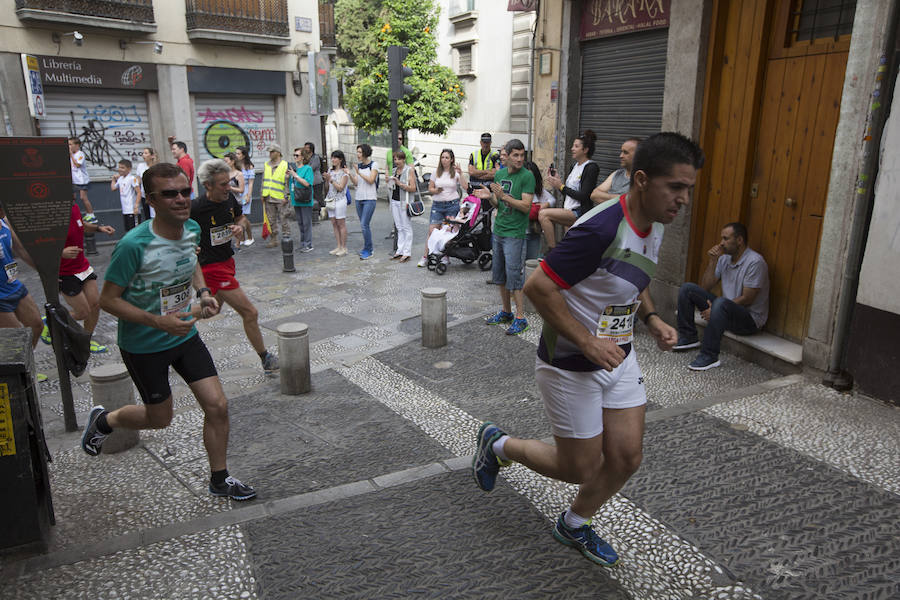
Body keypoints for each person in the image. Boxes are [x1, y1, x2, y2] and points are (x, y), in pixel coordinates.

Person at [472, 132, 704, 567]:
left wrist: (651, 318)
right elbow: (540, 287)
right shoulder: (599, 227)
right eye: (676, 187)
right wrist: (587, 341)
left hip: (617, 355)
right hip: (569, 361)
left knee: (626, 456)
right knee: (579, 466)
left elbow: (636, 276)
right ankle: (498, 444)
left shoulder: (653, 226)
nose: (684, 199)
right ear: (640, 180)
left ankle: (574, 523)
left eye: (688, 189)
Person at [84, 162, 257, 502]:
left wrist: (203, 292)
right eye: (169, 194)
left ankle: (219, 479)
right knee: (160, 418)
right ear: (151, 199)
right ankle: (105, 421)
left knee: (218, 406)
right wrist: (158, 321)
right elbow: (107, 301)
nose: (180, 199)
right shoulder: (134, 245)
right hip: (144, 343)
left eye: (184, 192)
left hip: (185, 334)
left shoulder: (191, 227)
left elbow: (191, 261)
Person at [191, 159, 279, 374]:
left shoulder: (229, 198)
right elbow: (178, 233)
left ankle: (171, 319)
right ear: (208, 185)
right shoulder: (196, 208)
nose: (228, 187)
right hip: (211, 268)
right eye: (222, 184)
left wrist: (240, 228)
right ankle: (265, 358)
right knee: (250, 312)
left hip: (227, 262)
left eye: (229, 182)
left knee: (212, 310)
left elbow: (241, 218)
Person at [673, 222, 769, 370]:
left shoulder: (755, 262)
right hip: (725, 308)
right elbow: (705, 287)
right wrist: (713, 262)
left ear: (739, 240)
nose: (721, 243)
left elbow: (747, 298)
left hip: (749, 320)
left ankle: (709, 356)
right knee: (688, 289)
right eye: (721, 239)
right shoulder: (724, 259)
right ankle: (688, 337)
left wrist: (716, 309)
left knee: (721, 303)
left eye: (725, 239)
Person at [474, 139, 534, 335]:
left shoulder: (527, 177)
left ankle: (520, 317)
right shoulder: (499, 174)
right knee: (499, 275)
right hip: (499, 230)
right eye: (515, 155)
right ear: (507, 156)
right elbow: (498, 205)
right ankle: (506, 312)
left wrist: (504, 196)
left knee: (515, 276)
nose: (519, 159)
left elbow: (526, 207)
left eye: (522, 155)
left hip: (515, 234)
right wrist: (489, 196)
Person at [41, 204, 116, 354]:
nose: (72, 197)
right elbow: (40, 245)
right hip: (64, 272)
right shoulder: (50, 212)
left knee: (95, 305)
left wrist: (98, 228)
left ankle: (86, 341)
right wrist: (60, 252)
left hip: (82, 267)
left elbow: (80, 223)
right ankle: (49, 321)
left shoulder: (73, 207)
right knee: (83, 312)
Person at [538, 130, 601, 249]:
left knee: (543, 214)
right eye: (573, 145)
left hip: (578, 212)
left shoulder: (591, 167)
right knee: (571, 247)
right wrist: (558, 183)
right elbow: (569, 192)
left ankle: (552, 250)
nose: (572, 148)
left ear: (585, 150)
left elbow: (583, 195)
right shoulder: (574, 166)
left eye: (576, 146)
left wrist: (561, 186)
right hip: (568, 209)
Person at [0, 207, 44, 358]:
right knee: (15, 339)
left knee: (36, 325)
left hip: (13, 285)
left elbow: (21, 250)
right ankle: (17, 371)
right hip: (0, 295)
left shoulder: (5, 222)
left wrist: (43, 271)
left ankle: (24, 365)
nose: (4, 212)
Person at [417, 149, 466, 267]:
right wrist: (436, 190)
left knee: (447, 232)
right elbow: (430, 189)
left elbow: (465, 186)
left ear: (451, 159)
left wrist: (461, 173)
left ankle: (445, 256)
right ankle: (425, 256)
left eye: (447, 158)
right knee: (432, 231)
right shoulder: (436, 172)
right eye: (442, 157)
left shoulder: (455, 173)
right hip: (437, 206)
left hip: (452, 205)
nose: (444, 160)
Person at [348, 144, 378, 260]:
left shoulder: (373, 165)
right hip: (359, 198)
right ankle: (366, 247)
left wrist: (359, 172)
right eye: (357, 152)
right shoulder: (359, 166)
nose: (358, 154)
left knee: (364, 224)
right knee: (364, 225)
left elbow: (371, 180)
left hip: (370, 198)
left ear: (365, 153)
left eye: (360, 152)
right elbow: (356, 183)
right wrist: (350, 174)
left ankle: (369, 250)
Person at [590, 138, 639, 204]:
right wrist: (621, 198)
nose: (621, 156)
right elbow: (594, 195)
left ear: (638, 155)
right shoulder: (617, 174)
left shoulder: (642, 179)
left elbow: (633, 203)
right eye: (621, 152)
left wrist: (605, 197)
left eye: (625, 153)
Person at [524, 161, 556, 260]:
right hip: (519, 235)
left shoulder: (539, 191)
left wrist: (544, 205)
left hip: (534, 233)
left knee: (531, 262)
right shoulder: (518, 190)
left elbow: (552, 200)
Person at [388, 150, 415, 262]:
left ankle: (407, 252)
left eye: (399, 159)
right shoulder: (394, 171)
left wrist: (400, 184)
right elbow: (392, 187)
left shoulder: (409, 170)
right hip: (394, 201)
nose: (396, 161)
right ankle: (400, 250)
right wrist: (390, 183)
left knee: (406, 226)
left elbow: (413, 188)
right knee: (399, 227)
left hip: (405, 202)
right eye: (395, 159)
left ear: (404, 159)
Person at [261, 143, 290, 248]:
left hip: (280, 197)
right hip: (268, 196)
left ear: (278, 153)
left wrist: (286, 196)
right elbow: (263, 180)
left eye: (272, 152)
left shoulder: (285, 165)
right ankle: (274, 239)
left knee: (284, 218)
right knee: (271, 220)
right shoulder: (266, 165)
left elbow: (288, 182)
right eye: (269, 152)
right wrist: (262, 193)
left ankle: (287, 237)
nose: (270, 154)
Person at [288, 147, 315, 253]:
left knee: (306, 223)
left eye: (297, 155)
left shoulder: (307, 168)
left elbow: (307, 183)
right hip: (296, 199)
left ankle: (308, 244)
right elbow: (292, 185)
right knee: (300, 223)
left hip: (305, 200)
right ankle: (303, 243)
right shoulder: (295, 169)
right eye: (294, 155)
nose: (295, 157)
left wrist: (295, 176)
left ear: (302, 157)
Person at [323, 150, 349, 256]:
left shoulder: (344, 173)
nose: (333, 160)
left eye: (335, 158)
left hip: (340, 200)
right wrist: (326, 180)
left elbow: (340, 188)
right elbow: (327, 187)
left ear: (340, 159)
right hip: (330, 199)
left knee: (341, 223)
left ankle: (344, 247)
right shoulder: (330, 170)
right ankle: (338, 246)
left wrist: (331, 180)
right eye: (332, 157)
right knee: (334, 223)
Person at [68, 137, 96, 222]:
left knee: (83, 197)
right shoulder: (71, 155)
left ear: (77, 145)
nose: (69, 146)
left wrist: (71, 155)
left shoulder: (80, 154)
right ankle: (77, 214)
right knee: (73, 198)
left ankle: (91, 215)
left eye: (70, 144)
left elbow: (77, 165)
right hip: (74, 180)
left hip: (82, 180)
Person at [110, 159, 141, 232]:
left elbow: (139, 192)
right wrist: (113, 180)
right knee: (128, 230)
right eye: (119, 167)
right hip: (125, 210)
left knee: (134, 231)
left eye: (122, 168)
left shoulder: (132, 178)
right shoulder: (121, 179)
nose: (120, 169)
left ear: (129, 169)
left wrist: (136, 205)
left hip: (132, 210)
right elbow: (113, 188)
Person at [235, 145, 255, 246]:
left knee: (243, 216)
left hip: (246, 192)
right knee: (238, 217)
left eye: (238, 153)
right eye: (236, 153)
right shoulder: (236, 165)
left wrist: (248, 195)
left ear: (243, 155)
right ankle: (242, 238)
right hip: (237, 192)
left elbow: (251, 182)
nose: (236, 155)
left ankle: (250, 236)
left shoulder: (249, 166)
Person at [136, 147, 159, 221]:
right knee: (147, 217)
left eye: (146, 153)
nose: (143, 155)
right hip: (144, 195)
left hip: (154, 195)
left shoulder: (156, 167)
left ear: (152, 156)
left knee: (155, 216)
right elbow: (138, 181)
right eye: (143, 153)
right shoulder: (140, 166)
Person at [304, 142, 324, 222]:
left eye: (307, 148)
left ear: (311, 149)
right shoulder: (305, 157)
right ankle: (312, 214)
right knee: (311, 198)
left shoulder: (315, 157)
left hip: (316, 180)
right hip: (309, 181)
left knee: (318, 197)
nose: (305, 149)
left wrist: (304, 169)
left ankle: (320, 214)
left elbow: (311, 168)